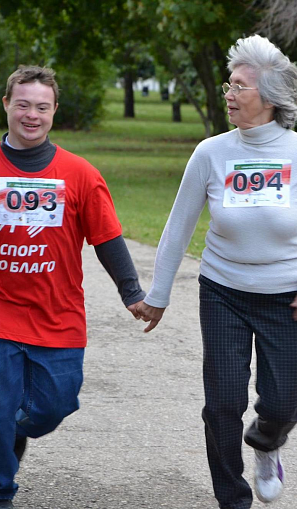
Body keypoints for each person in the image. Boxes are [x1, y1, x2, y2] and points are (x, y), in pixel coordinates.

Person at [136, 35, 297, 508]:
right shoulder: (210, 153)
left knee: (283, 401)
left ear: (269, 98)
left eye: (239, 86)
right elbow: (178, 226)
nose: (228, 93)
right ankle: (233, 498)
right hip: (224, 291)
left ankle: (267, 445)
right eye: (228, 84)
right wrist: (159, 293)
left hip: (287, 295)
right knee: (222, 404)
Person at [0, 66, 145, 509]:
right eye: (22, 104)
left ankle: (12, 434)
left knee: (50, 409)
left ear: (54, 110)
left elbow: (106, 238)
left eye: (41, 107)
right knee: (0, 410)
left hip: (57, 318)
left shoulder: (79, 174)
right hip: (2, 314)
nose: (31, 115)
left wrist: (133, 292)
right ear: (6, 104)